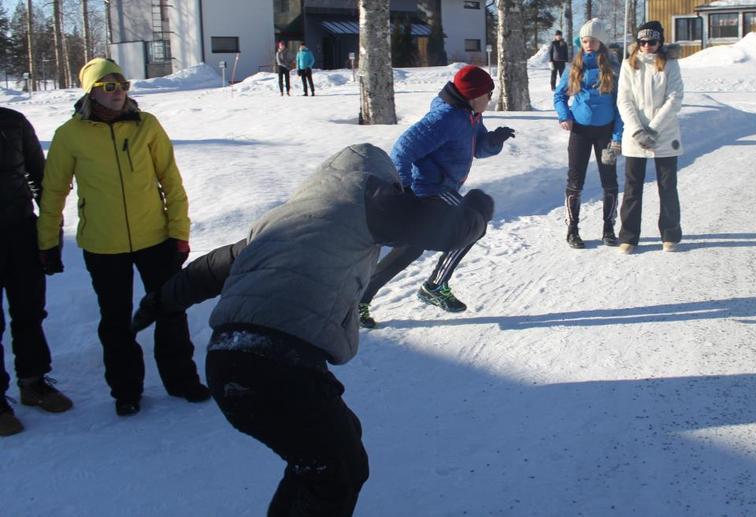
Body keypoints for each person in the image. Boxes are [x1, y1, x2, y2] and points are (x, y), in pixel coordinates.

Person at [129, 144, 495, 516]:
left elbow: (206, 271)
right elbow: (444, 229)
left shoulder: (281, 218)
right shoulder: (369, 196)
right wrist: (477, 211)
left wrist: (154, 304)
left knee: (328, 455)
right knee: (337, 469)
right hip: (279, 363)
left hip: (228, 358)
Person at [37, 58, 208, 416]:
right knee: (115, 320)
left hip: (155, 238)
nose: (118, 93)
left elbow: (171, 182)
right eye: (109, 86)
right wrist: (48, 243)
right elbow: (53, 192)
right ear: (91, 92)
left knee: (171, 311)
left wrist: (179, 233)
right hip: (103, 245)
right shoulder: (70, 135)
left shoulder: (147, 126)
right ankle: (126, 390)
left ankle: (182, 381)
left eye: (123, 85)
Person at [357, 66, 514, 327]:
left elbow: (477, 149)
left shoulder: (470, 114)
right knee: (475, 220)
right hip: (429, 191)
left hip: (440, 189)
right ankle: (435, 285)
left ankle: (361, 300)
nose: (491, 98)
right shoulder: (446, 119)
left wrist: (494, 141)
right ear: (474, 96)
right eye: (488, 93)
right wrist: (404, 190)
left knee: (410, 248)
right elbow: (402, 150)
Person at [0, 108, 73, 436]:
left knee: (29, 311)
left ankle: (34, 382)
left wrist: (51, 233)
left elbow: (41, 181)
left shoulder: (12, 122)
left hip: (20, 234)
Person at [615, 21, 685, 254]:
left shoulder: (670, 65)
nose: (647, 46)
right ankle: (629, 237)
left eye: (652, 42)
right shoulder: (628, 64)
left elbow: (674, 99)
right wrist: (637, 130)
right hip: (635, 136)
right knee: (632, 187)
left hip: (664, 134)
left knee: (667, 186)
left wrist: (653, 129)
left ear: (660, 42)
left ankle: (670, 234)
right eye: (643, 42)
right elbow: (624, 100)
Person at [553, 17, 623, 249]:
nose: (588, 44)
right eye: (584, 40)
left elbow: (621, 104)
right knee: (575, 180)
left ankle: (609, 228)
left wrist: (617, 136)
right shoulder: (575, 66)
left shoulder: (612, 67)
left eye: (592, 40)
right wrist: (565, 116)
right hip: (580, 132)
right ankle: (572, 230)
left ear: (601, 42)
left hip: (606, 133)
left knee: (609, 181)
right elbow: (560, 95)